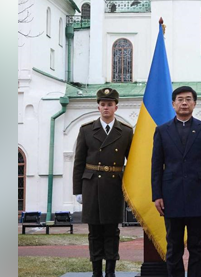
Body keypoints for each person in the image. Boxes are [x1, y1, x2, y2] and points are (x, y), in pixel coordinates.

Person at [151, 86, 201, 277]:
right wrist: (157, 195)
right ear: (173, 104)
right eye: (180, 99)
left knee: (197, 246)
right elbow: (156, 166)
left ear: (194, 103)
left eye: (188, 99)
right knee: (174, 246)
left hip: (199, 196)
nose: (184, 103)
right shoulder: (162, 131)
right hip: (171, 197)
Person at [73, 87, 134, 277]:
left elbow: (131, 162)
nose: (106, 107)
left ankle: (110, 271)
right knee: (94, 232)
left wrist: (130, 190)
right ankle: (96, 272)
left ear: (116, 107)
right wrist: (78, 190)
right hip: (91, 185)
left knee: (112, 231)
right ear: (98, 107)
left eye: (110, 104)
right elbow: (79, 162)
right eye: (103, 104)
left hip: (114, 185)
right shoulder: (86, 130)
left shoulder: (125, 132)